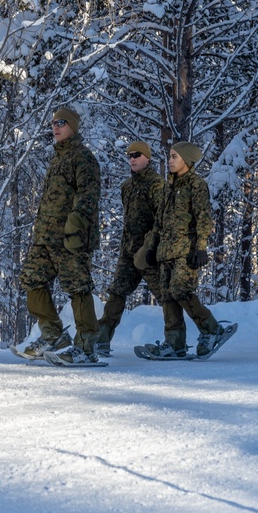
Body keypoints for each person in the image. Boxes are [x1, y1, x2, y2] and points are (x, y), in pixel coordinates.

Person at [17, 107, 102, 364]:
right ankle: (53, 335)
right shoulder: (57, 159)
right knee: (31, 279)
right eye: (53, 123)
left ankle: (86, 347)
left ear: (73, 126)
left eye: (61, 123)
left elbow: (89, 195)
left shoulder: (83, 157)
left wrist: (75, 226)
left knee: (78, 288)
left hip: (70, 238)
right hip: (45, 237)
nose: (55, 127)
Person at [138, 142, 233, 358]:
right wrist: (152, 248)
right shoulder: (167, 188)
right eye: (169, 157)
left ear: (187, 160)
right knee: (167, 297)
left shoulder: (196, 185)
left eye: (174, 157)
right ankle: (174, 343)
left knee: (181, 291)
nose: (170, 161)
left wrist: (200, 248)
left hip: (185, 251)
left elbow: (203, 219)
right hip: (165, 252)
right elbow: (158, 223)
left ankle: (212, 330)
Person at [95, 140, 185, 356]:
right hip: (128, 252)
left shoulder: (157, 185)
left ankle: (175, 343)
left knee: (165, 295)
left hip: (150, 253)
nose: (132, 159)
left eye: (136, 155)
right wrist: (126, 249)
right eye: (129, 155)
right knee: (117, 292)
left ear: (147, 158)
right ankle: (101, 339)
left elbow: (162, 220)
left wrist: (150, 247)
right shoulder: (127, 186)